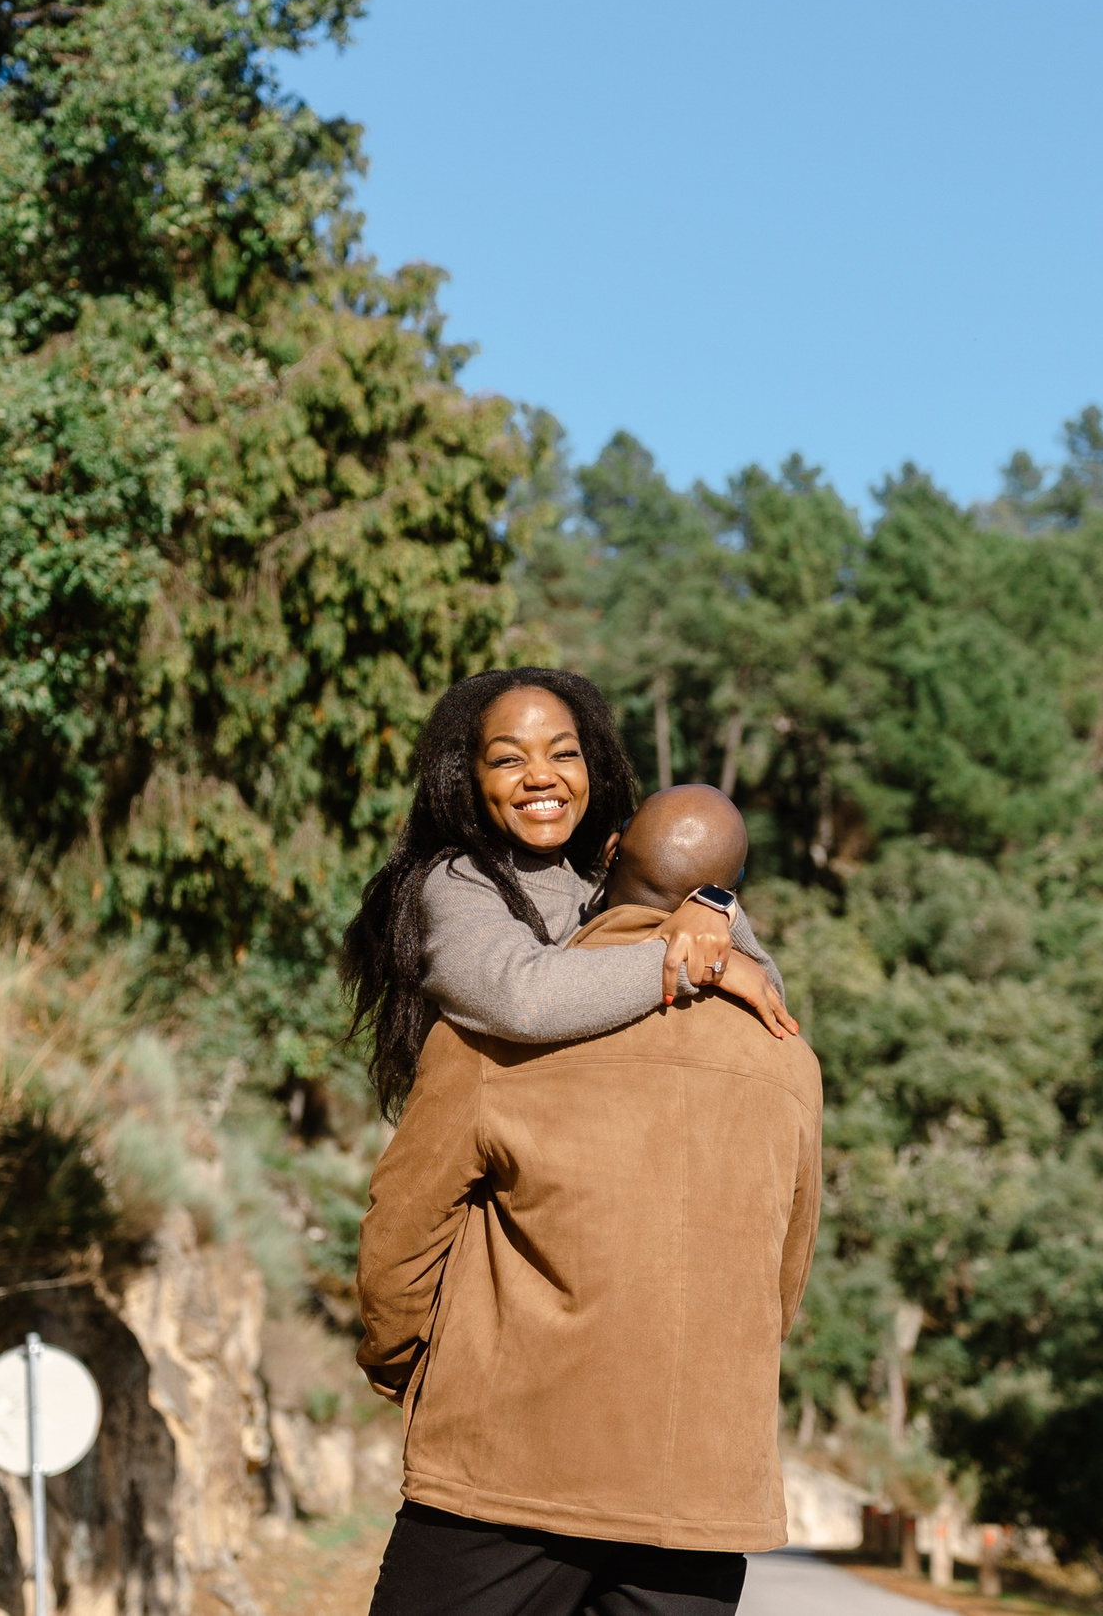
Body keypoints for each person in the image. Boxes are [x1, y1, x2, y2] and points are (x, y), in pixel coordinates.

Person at [354, 785, 824, 1616]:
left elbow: (401, 1237)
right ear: (728, 903)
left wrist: (404, 1367)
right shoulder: (788, 1059)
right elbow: (781, 1281)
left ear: (606, 856)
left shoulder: (497, 1029)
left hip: (503, 1474)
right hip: (697, 1497)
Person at [341, 667, 795, 1120]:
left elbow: (768, 995)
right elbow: (521, 1000)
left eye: (563, 754)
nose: (542, 776)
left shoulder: (597, 886)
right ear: (467, 778)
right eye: (508, 760)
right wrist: (691, 965)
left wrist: (716, 909)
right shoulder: (457, 882)